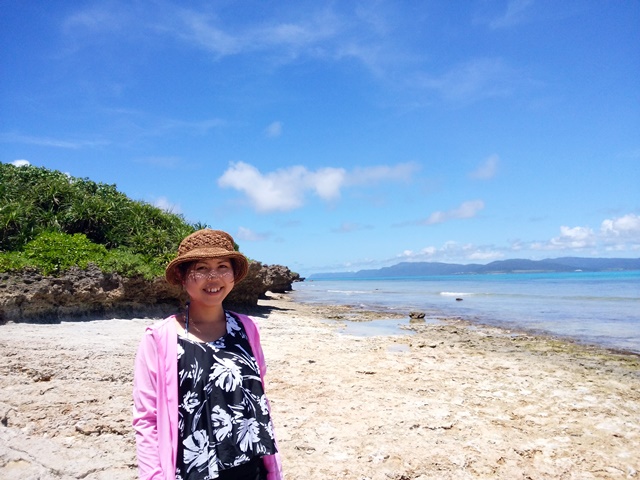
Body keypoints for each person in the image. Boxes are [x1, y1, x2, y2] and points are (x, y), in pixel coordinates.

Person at [132, 229, 282, 480]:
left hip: (250, 467)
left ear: (233, 275)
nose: (214, 277)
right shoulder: (159, 338)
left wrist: (272, 470)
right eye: (201, 268)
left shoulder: (247, 328)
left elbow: (259, 400)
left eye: (223, 266)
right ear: (182, 277)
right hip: (193, 469)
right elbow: (147, 419)